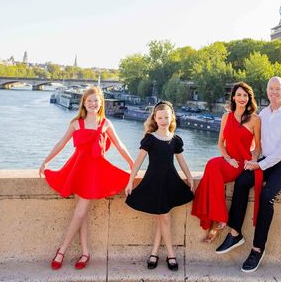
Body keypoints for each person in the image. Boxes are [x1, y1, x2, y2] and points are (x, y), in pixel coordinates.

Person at [39, 86, 134, 270]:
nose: (92, 104)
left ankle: (62, 250)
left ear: (101, 103)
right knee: (80, 214)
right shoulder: (76, 123)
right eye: (89, 101)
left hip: (94, 173)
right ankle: (85, 253)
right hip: (76, 170)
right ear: (84, 102)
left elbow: (119, 144)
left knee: (80, 212)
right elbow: (61, 143)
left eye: (96, 101)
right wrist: (46, 161)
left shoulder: (105, 123)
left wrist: (132, 163)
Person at [215, 76, 281, 273]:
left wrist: (259, 165)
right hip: (266, 161)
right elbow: (256, 143)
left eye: (278, 89)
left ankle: (257, 249)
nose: (274, 92)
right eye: (271, 89)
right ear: (267, 91)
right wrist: (253, 159)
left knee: (266, 196)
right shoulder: (263, 113)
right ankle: (235, 233)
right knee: (242, 181)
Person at [125, 100, 194, 271]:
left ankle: (154, 253)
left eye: (166, 117)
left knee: (162, 217)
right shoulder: (150, 139)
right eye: (160, 117)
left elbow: (181, 162)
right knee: (163, 217)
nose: (163, 120)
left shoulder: (175, 140)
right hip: (154, 182)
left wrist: (190, 178)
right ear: (155, 118)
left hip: (170, 182)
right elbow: (138, 162)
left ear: (171, 119)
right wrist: (130, 181)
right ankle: (171, 254)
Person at [191, 82, 261, 242]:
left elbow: (257, 147)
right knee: (211, 165)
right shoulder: (226, 116)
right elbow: (220, 143)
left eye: (245, 95)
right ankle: (218, 219)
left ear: (249, 98)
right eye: (239, 95)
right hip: (229, 160)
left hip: (242, 163)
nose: (242, 98)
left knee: (212, 169)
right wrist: (228, 159)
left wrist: (253, 161)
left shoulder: (255, 119)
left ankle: (217, 221)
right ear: (234, 97)